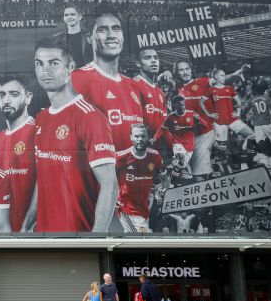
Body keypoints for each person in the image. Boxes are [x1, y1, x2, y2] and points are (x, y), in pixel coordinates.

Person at [23, 36, 118, 233]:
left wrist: (96, 241)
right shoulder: (42, 118)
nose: (45, 70)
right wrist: (27, 224)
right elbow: (43, 178)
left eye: (54, 63)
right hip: (45, 237)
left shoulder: (90, 117)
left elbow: (110, 185)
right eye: (39, 64)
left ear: (70, 67)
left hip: (78, 240)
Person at [71, 13, 144, 152]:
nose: (111, 35)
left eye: (116, 29)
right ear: (90, 38)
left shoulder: (133, 85)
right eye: (102, 30)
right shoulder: (78, 78)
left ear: (122, 36)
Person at [0, 73, 37, 232]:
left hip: (32, 233)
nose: (6, 100)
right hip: (5, 233)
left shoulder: (39, 132)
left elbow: (47, 185)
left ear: (28, 97)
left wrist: (28, 224)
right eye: (2, 95)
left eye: (14, 94)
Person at [116, 124, 164, 233]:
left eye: (143, 136)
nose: (140, 139)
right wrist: (112, 196)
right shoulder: (121, 157)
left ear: (148, 137)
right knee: (143, 237)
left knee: (133, 242)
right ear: (131, 137)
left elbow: (162, 176)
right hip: (127, 209)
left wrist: (159, 190)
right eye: (136, 136)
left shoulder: (155, 156)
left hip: (144, 209)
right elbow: (107, 178)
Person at [152, 95, 209, 181]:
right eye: (179, 105)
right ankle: (174, 167)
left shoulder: (192, 114)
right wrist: (154, 138)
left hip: (190, 145)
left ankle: (172, 181)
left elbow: (206, 126)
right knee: (181, 159)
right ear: (175, 105)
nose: (182, 107)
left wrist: (200, 120)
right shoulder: (171, 117)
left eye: (183, 105)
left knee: (181, 166)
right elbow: (162, 129)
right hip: (178, 144)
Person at [206, 68, 252, 150]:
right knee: (222, 147)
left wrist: (238, 112)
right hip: (219, 121)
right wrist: (210, 115)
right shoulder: (210, 89)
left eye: (224, 75)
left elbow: (239, 102)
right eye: (222, 75)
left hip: (231, 118)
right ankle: (220, 158)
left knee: (252, 135)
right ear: (215, 77)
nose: (224, 77)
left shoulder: (229, 88)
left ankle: (242, 149)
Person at [133, 49, 167, 136]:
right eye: (147, 58)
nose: (153, 61)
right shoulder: (133, 85)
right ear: (138, 63)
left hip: (159, 146)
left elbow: (164, 124)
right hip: (142, 145)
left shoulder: (161, 93)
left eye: (156, 58)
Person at [243, 82, 271, 154]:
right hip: (267, 123)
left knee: (260, 141)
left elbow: (245, 109)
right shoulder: (267, 98)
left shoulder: (251, 99)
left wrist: (243, 116)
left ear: (254, 91)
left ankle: (265, 156)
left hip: (257, 124)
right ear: (263, 90)